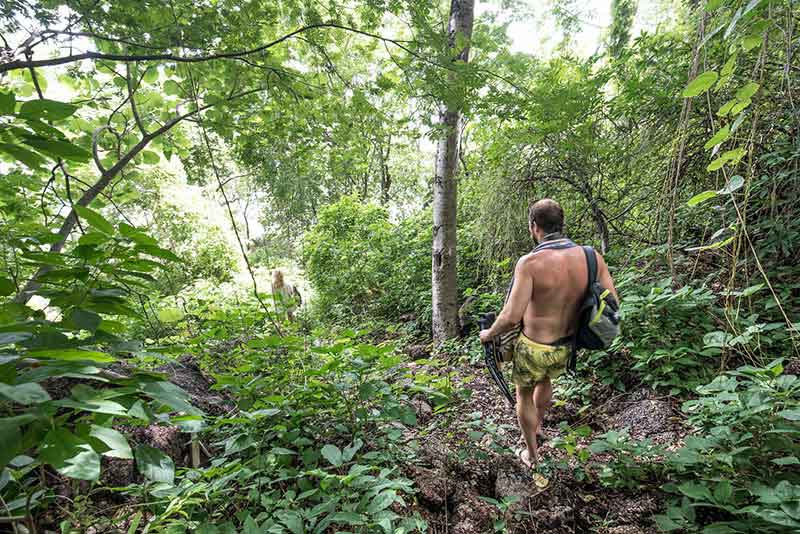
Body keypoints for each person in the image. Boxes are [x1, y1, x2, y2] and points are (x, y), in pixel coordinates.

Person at [478, 199, 618, 471]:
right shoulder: (591, 257)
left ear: (534, 227)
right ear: (561, 224)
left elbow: (511, 315)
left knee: (524, 395)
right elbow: (611, 302)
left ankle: (531, 453)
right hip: (567, 345)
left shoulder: (530, 263)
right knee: (545, 381)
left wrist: (489, 333)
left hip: (533, 347)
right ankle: (538, 426)